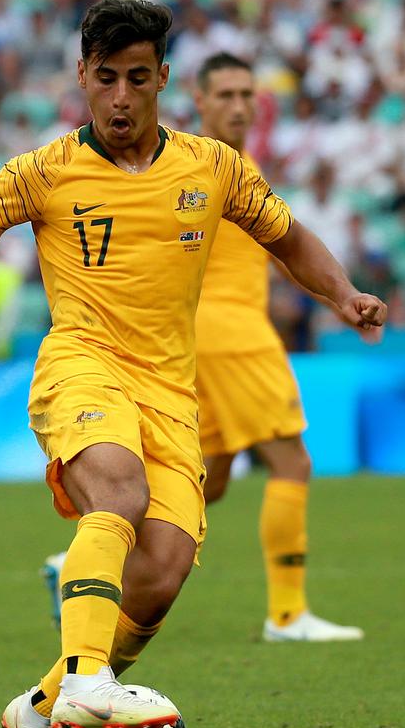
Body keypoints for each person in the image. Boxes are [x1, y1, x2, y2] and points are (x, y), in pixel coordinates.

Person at [0, 0, 386, 728]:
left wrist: (344, 294)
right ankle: (85, 679)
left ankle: (42, 705)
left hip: (170, 392)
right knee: (118, 486)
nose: (120, 97)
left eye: (137, 79)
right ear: (82, 76)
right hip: (81, 365)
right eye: (105, 78)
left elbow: (287, 238)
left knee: (163, 571)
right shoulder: (43, 172)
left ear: (163, 81)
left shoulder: (213, 169)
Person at [42, 52, 368, 644]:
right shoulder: (193, 164)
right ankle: (289, 614)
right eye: (226, 96)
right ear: (194, 97)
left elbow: (287, 243)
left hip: (189, 352)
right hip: (233, 336)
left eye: (248, 95)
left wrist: (336, 292)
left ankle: (82, 567)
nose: (240, 107)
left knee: (206, 483)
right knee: (291, 461)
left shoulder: (229, 167)